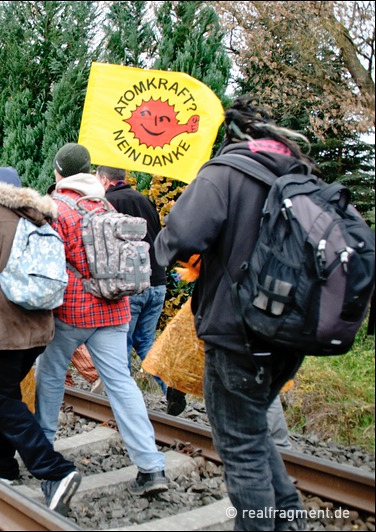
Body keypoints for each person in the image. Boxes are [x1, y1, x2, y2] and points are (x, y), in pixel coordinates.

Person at [154, 96, 309, 531]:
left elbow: (180, 237)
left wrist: (167, 250)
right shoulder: (298, 174)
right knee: (253, 428)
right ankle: (289, 522)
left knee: (239, 446)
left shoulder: (226, 171)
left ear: (232, 134)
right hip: (289, 331)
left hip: (237, 329)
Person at [35, 143, 168, 498]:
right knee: (122, 385)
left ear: (59, 172)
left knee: (49, 377)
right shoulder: (103, 202)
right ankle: (151, 466)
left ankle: (42, 454)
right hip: (114, 308)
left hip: (72, 311)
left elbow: (48, 265)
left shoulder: (57, 207)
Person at [0, 167, 82, 516]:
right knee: (6, 392)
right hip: (38, 324)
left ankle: (55, 470)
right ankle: (1, 463)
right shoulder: (39, 213)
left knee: (1, 397)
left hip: (2, 323)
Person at [98, 165, 172, 400]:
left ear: (104, 180)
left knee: (122, 345)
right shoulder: (145, 201)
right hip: (157, 283)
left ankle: (124, 402)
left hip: (131, 284)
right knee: (146, 342)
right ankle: (170, 387)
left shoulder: (107, 204)